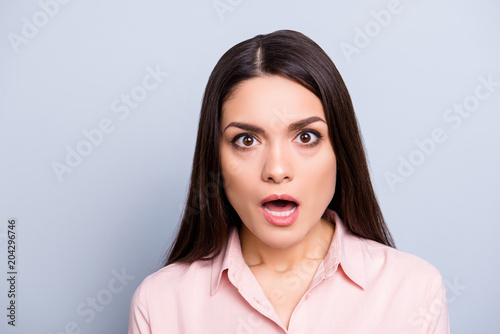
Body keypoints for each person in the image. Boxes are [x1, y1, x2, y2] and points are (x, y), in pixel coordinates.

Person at [128, 29, 450, 333]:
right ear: (215, 159)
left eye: (306, 136)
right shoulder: (161, 303)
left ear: (341, 151)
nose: (277, 169)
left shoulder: (414, 290)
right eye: (246, 140)